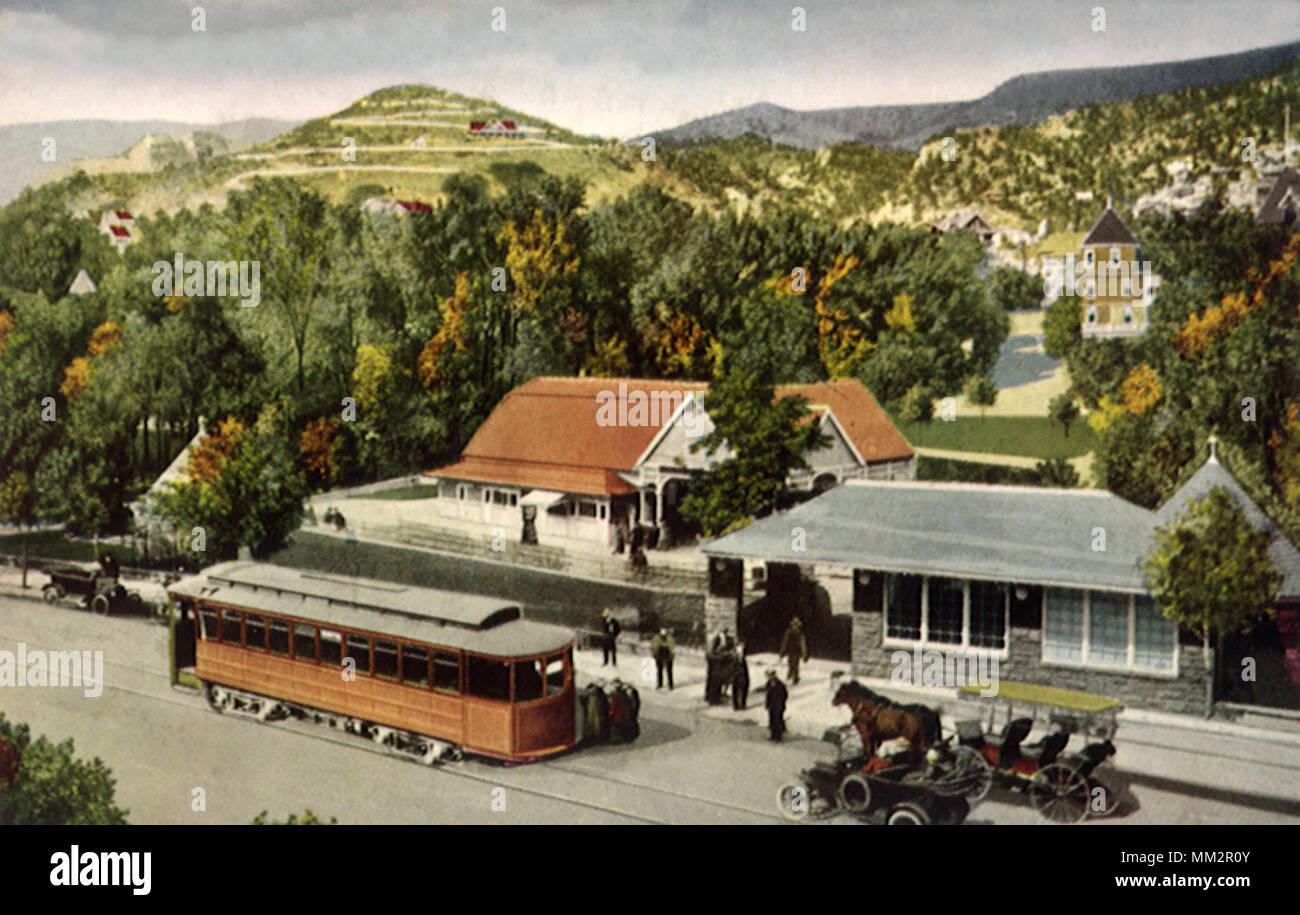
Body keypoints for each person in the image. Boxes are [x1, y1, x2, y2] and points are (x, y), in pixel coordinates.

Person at [779, 618, 809, 685]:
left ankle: (794, 678)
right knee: (791, 664)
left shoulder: (799, 633)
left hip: (796, 652)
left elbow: (802, 644)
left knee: (795, 665)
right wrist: (782, 652)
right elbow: (785, 642)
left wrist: (804, 655)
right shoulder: (789, 632)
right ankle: (790, 677)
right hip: (791, 651)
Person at [764, 670, 788, 741]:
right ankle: (773, 735)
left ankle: (778, 736)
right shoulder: (768, 684)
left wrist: (780, 703)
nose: (769, 677)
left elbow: (785, 695)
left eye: (770, 675)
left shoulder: (780, 684)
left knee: (777, 720)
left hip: (778, 706)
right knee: (772, 720)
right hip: (771, 705)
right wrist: (767, 704)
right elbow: (768, 695)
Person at [731, 646, 749, 710]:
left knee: (744, 690)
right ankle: (736, 705)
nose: (741, 655)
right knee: (735, 691)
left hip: (743, 677)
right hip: (736, 677)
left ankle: (743, 704)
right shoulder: (734, 660)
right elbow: (732, 669)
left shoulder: (743, 661)